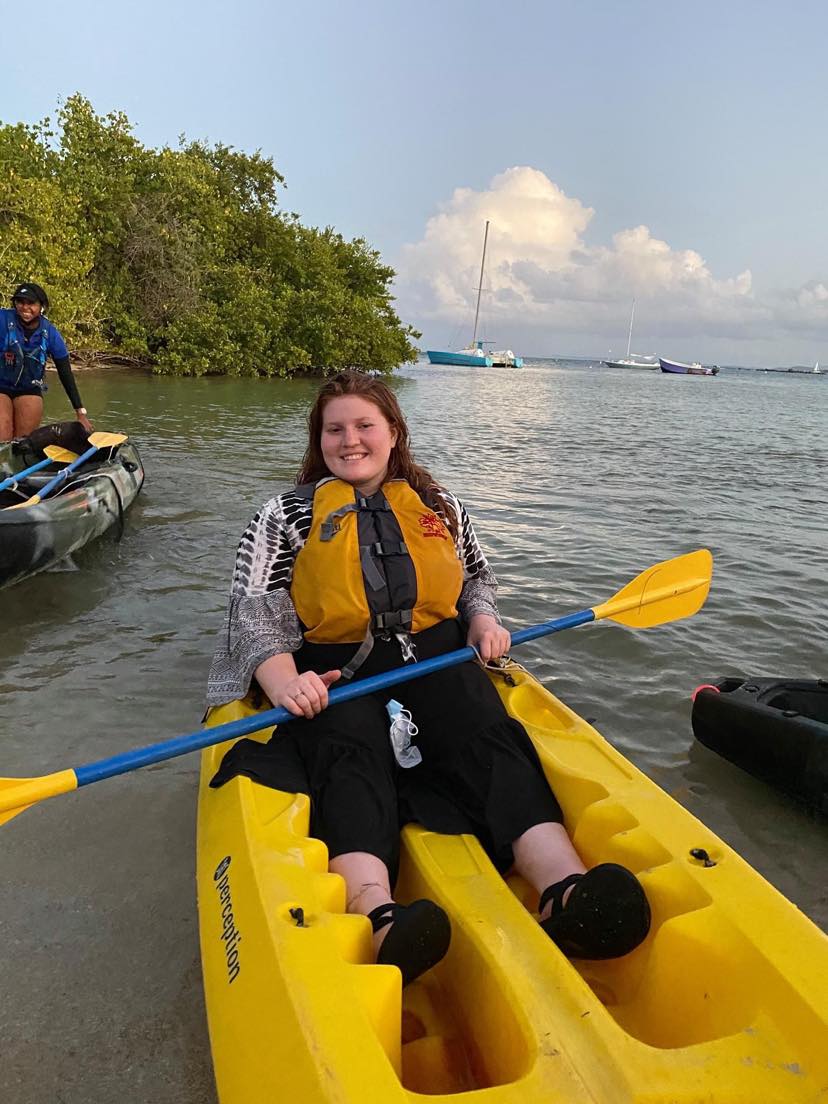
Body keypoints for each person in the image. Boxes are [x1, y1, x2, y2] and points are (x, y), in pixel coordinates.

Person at [207, 370, 650, 985]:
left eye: (365, 426)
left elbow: (475, 579)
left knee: (485, 727)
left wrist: (485, 620)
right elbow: (253, 613)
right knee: (348, 748)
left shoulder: (439, 505)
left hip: (434, 655)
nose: (350, 440)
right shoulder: (283, 515)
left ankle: (563, 889)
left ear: (393, 432)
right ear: (319, 440)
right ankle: (377, 912)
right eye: (335, 429)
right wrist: (285, 683)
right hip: (335, 668)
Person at [0, 283, 93, 442]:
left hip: (29, 388)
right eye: (20, 302)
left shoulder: (50, 333)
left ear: (41, 306)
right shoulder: (2, 319)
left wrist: (80, 413)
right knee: (3, 433)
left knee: (22, 442)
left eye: (31, 303)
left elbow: (65, 374)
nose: (25, 308)